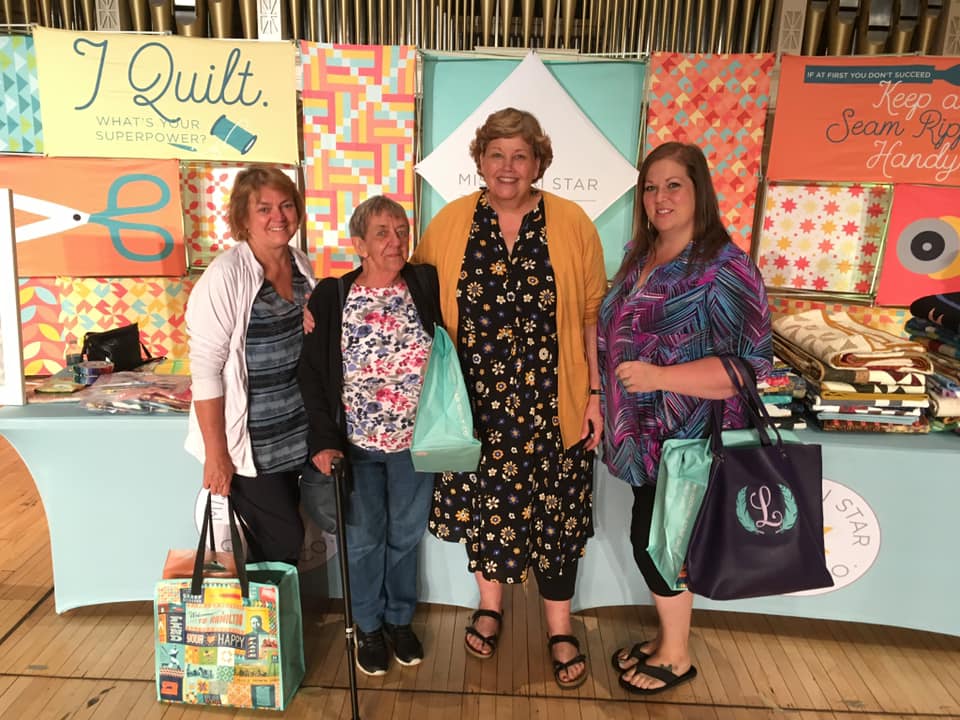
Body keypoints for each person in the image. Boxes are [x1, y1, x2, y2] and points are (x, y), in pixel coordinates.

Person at [411, 107, 606, 690]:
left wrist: (595, 394)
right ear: (480, 160)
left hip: (554, 404)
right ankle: (490, 607)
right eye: (496, 154)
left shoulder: (572, 223)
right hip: (478, 410)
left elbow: (590, 317)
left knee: (557, 519)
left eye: (520, 155)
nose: (507, 166)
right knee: (487, 513)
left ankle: (559, 627)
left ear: (538, 162)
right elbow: (412, 293)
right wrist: (334, 303)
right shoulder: (451, 222)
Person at [598, 142, 772, 695]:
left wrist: (659, 377)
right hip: (638, 435)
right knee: (654, 538)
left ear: (700, 190)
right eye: (651, 187)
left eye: (674, 184)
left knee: (660, 545)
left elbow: (750, 366)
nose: (660, 197)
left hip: (686, 439)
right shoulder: (640, 254)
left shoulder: (725, 267)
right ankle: (663, 639)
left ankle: (676, 656)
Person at [298, 195, 442, 677]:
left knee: (405, 537)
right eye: (382, 233)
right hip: (354, 447)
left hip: (415, 445)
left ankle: (399, 621)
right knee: (362, 541)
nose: (395, 241)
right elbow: (312, 374)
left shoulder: (425, 283)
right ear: (358, 244)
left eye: (401, 231)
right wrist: (323, 440)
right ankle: (368, 627)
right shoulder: (332, 296)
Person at [185, 167, 315, 565]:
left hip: (294, 434)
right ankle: (261, 608)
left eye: (286, 205)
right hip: (249, 445)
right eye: (264, 208)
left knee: (283, 542)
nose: (279, 216)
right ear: (243, 218)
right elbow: (205, 370)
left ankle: (274, 605)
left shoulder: (300, 264)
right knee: (283, 539)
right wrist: (217, 454)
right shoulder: (226, 275)